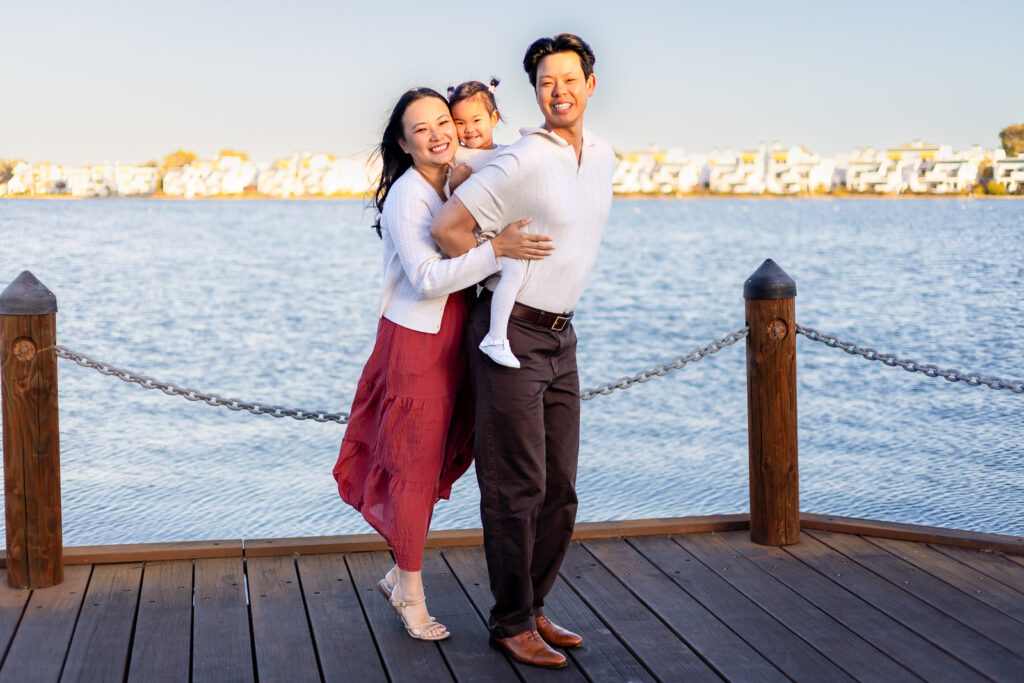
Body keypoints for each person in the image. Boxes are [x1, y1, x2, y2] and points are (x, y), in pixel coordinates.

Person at [332, 87, 553, 641]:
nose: (438, 134)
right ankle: (411, 596)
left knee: (434, 463)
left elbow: (511, 157)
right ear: (405, 145)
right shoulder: (409, 195)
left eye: (442, 122)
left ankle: (396, 573)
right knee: (411, 469)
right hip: (416, 345)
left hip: (455, 338)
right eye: (422, 129)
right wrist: (496, 250)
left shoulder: (457, 177)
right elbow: (428, 279)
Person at [430, 34, 616, 668]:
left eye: (568, 79)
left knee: (560, 487)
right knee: (517, 486)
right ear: (535, 93)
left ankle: (533, 607)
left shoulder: (605, 156)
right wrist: (494, 256)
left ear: (591, 85)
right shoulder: (523, 160)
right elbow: (447, 228)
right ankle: (510, 621)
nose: (557, 90)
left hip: (564, 335)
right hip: (509, 336)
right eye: (545, 82)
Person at [446, 78, 527, 368]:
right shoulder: (455, 156)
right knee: (514, 271)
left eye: (477, 119)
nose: (469, 129)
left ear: (494, 118)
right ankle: (496, 337)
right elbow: (447, 206)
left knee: (519, 269)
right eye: (460, 122)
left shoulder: (509, 152)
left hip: (500, 231)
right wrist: (455, 185)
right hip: (476, 238)